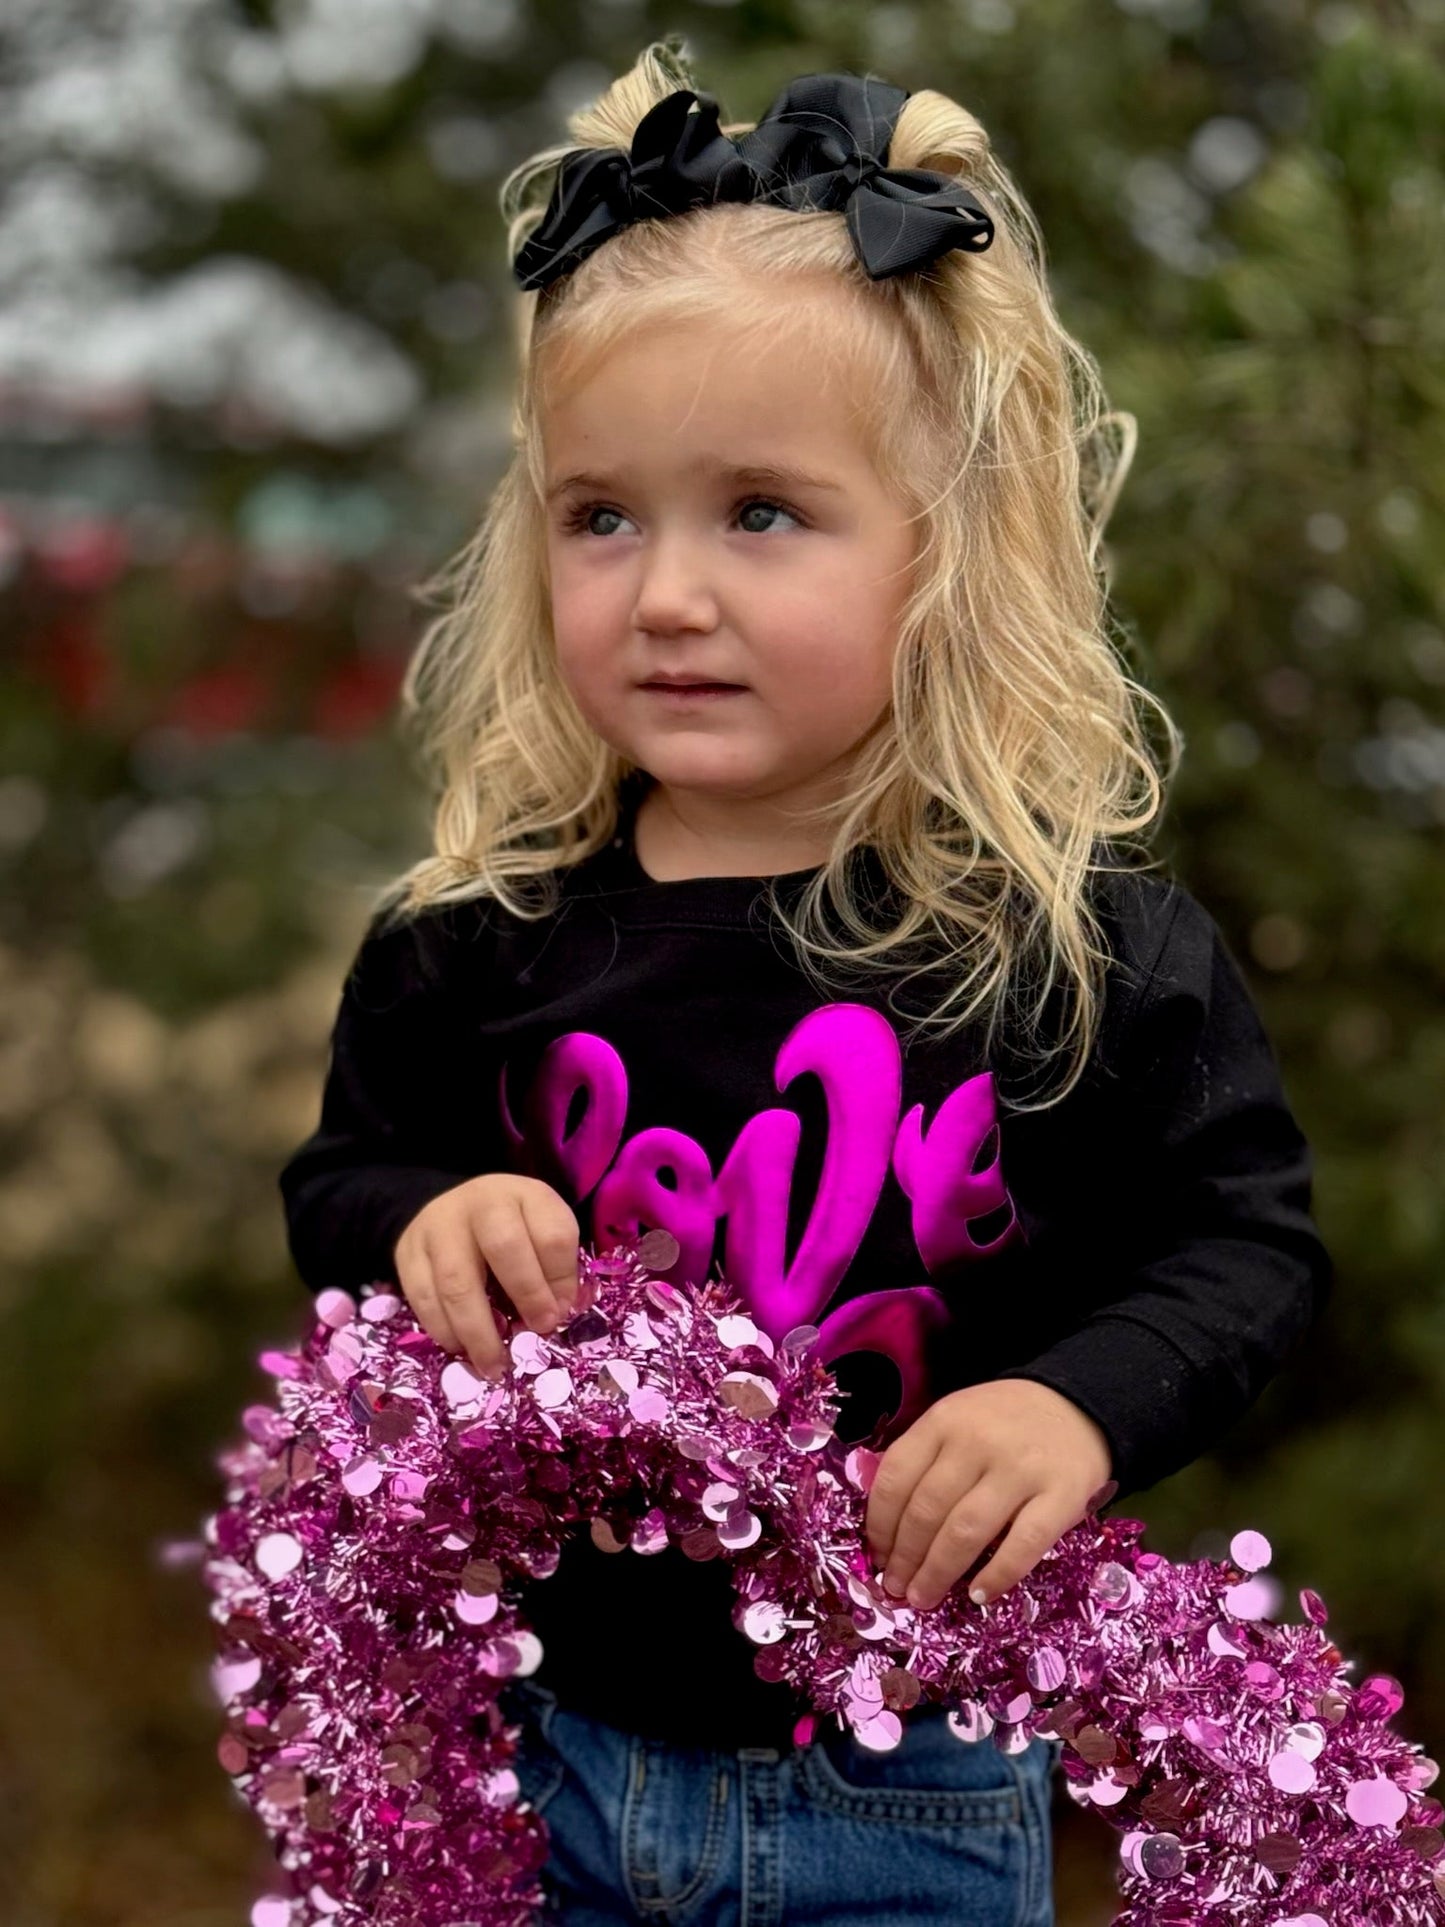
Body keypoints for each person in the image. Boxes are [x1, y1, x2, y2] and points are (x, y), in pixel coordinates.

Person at [276, 38, 1333, 1927]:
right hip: (539, 1762)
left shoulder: (1064, 944)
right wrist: (428, 1218)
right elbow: (341, 1186)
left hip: (910, 1783)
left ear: (944, 554)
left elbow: (1241, 1246)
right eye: (603, 516)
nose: (665, 591)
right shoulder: (477, 934)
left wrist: (1075, 1407)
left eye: (758, 513)